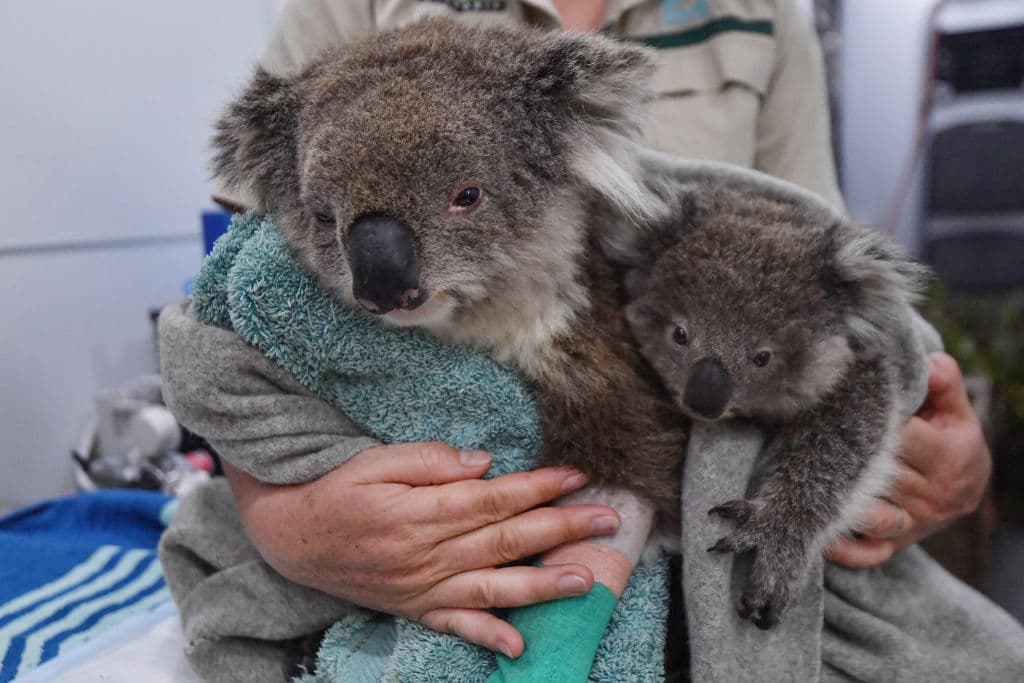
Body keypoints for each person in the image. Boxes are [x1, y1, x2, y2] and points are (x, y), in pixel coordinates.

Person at [159, 0, 994, 677]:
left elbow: (813, 265)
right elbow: (247, 295)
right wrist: (289, 518)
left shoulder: (766, 15)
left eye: (459, 199)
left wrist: (951, 460)